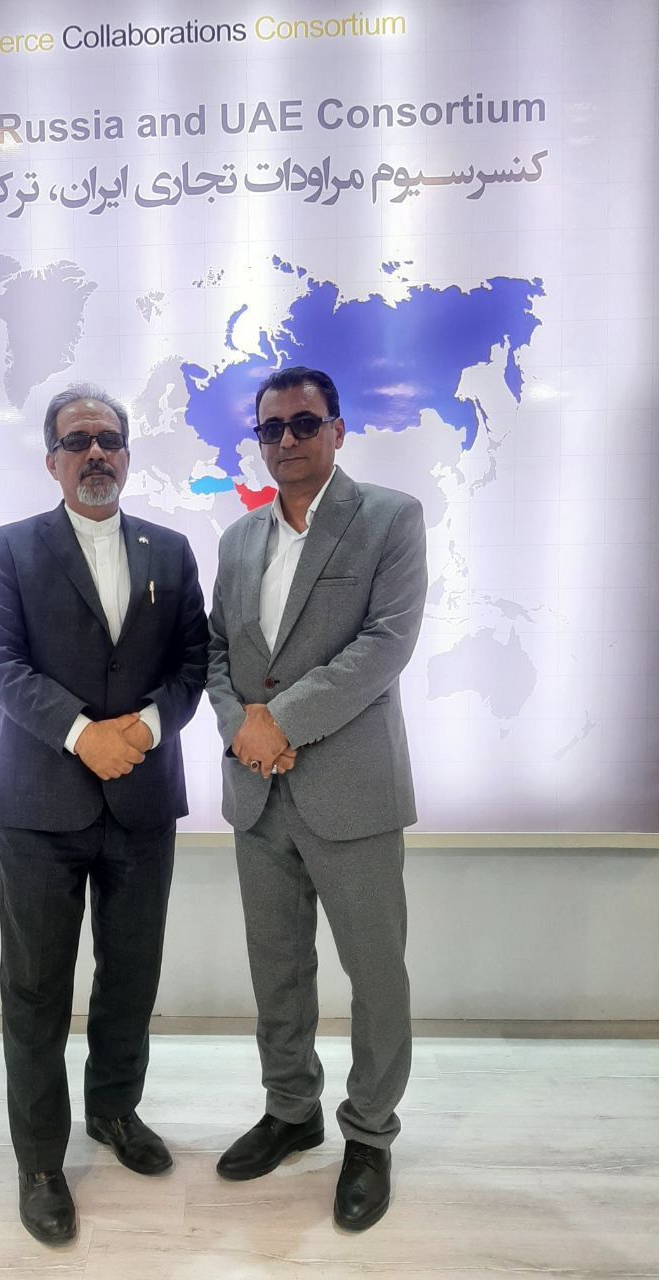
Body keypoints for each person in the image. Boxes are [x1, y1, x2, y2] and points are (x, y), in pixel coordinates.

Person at [0, 384, 208, 1246]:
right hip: (41, 805)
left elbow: (194, 663)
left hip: (142, 800)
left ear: (128, 455)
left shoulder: (171, 551)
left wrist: (140, 730)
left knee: (131, 974)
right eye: (78, 441)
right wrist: (82, 735)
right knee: (36, 989)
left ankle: (114, 1111)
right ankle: (40, 1162)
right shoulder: (10, 547)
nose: (96, 452)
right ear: (52, 461)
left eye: (109, 438)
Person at [206, 365, 427, 1231]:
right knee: (278, 969)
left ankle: (369, 1133)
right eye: (272, 428)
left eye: (304, 423)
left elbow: (385, 644)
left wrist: (282, 721)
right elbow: (216, 651)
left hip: (353, 793)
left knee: (375, 973)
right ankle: (291, 1110)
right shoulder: (237, 539)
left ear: (337, 430)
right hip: (257, 793)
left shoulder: (390, 518)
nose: (287, 440)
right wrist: (242, 728)